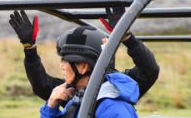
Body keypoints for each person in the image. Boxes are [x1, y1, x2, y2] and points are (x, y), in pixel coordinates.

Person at [9, 7, 159, 101]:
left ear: (83, 66)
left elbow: (150, 69)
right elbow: (41, 85)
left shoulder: (121, 88)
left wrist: (127, 37)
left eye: (66, 61)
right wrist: (29, 49)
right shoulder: (69, 91)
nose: (61, 66)